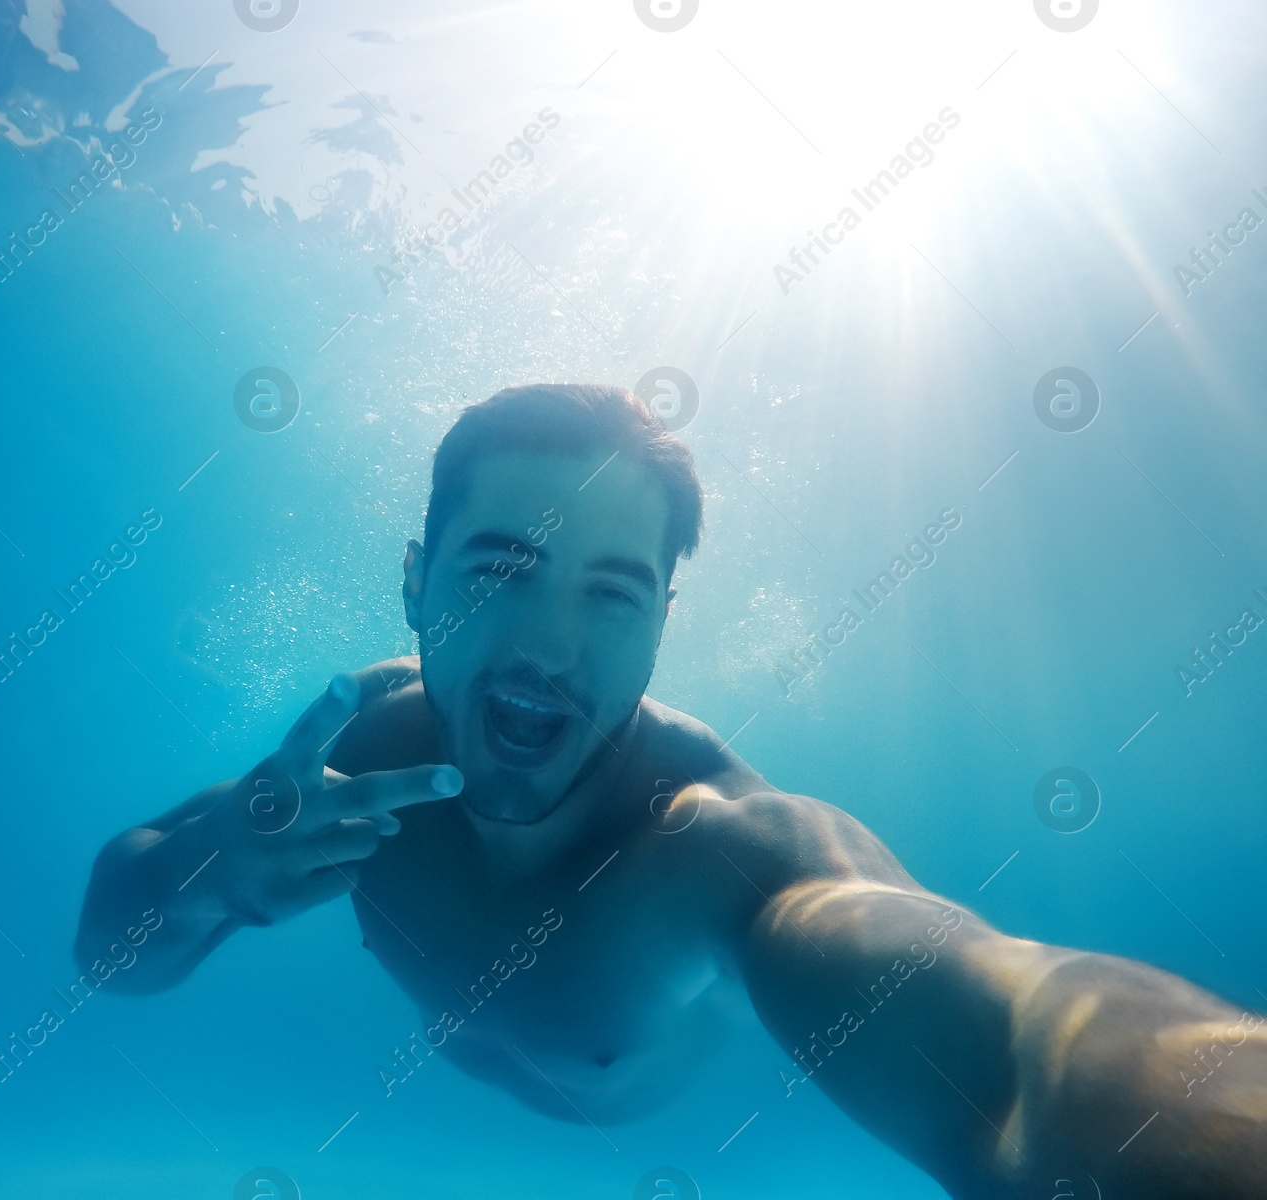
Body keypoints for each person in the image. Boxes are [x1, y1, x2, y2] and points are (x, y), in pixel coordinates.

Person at [76, 384, 1265, 1197]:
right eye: (500, 571)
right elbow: (107, 960)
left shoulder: (721, 851)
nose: (547, 648)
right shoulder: (352, 762)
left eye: (611, 590)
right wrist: (207, 878)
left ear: (661, 628)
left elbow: (1010, 1041)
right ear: (414, 581)